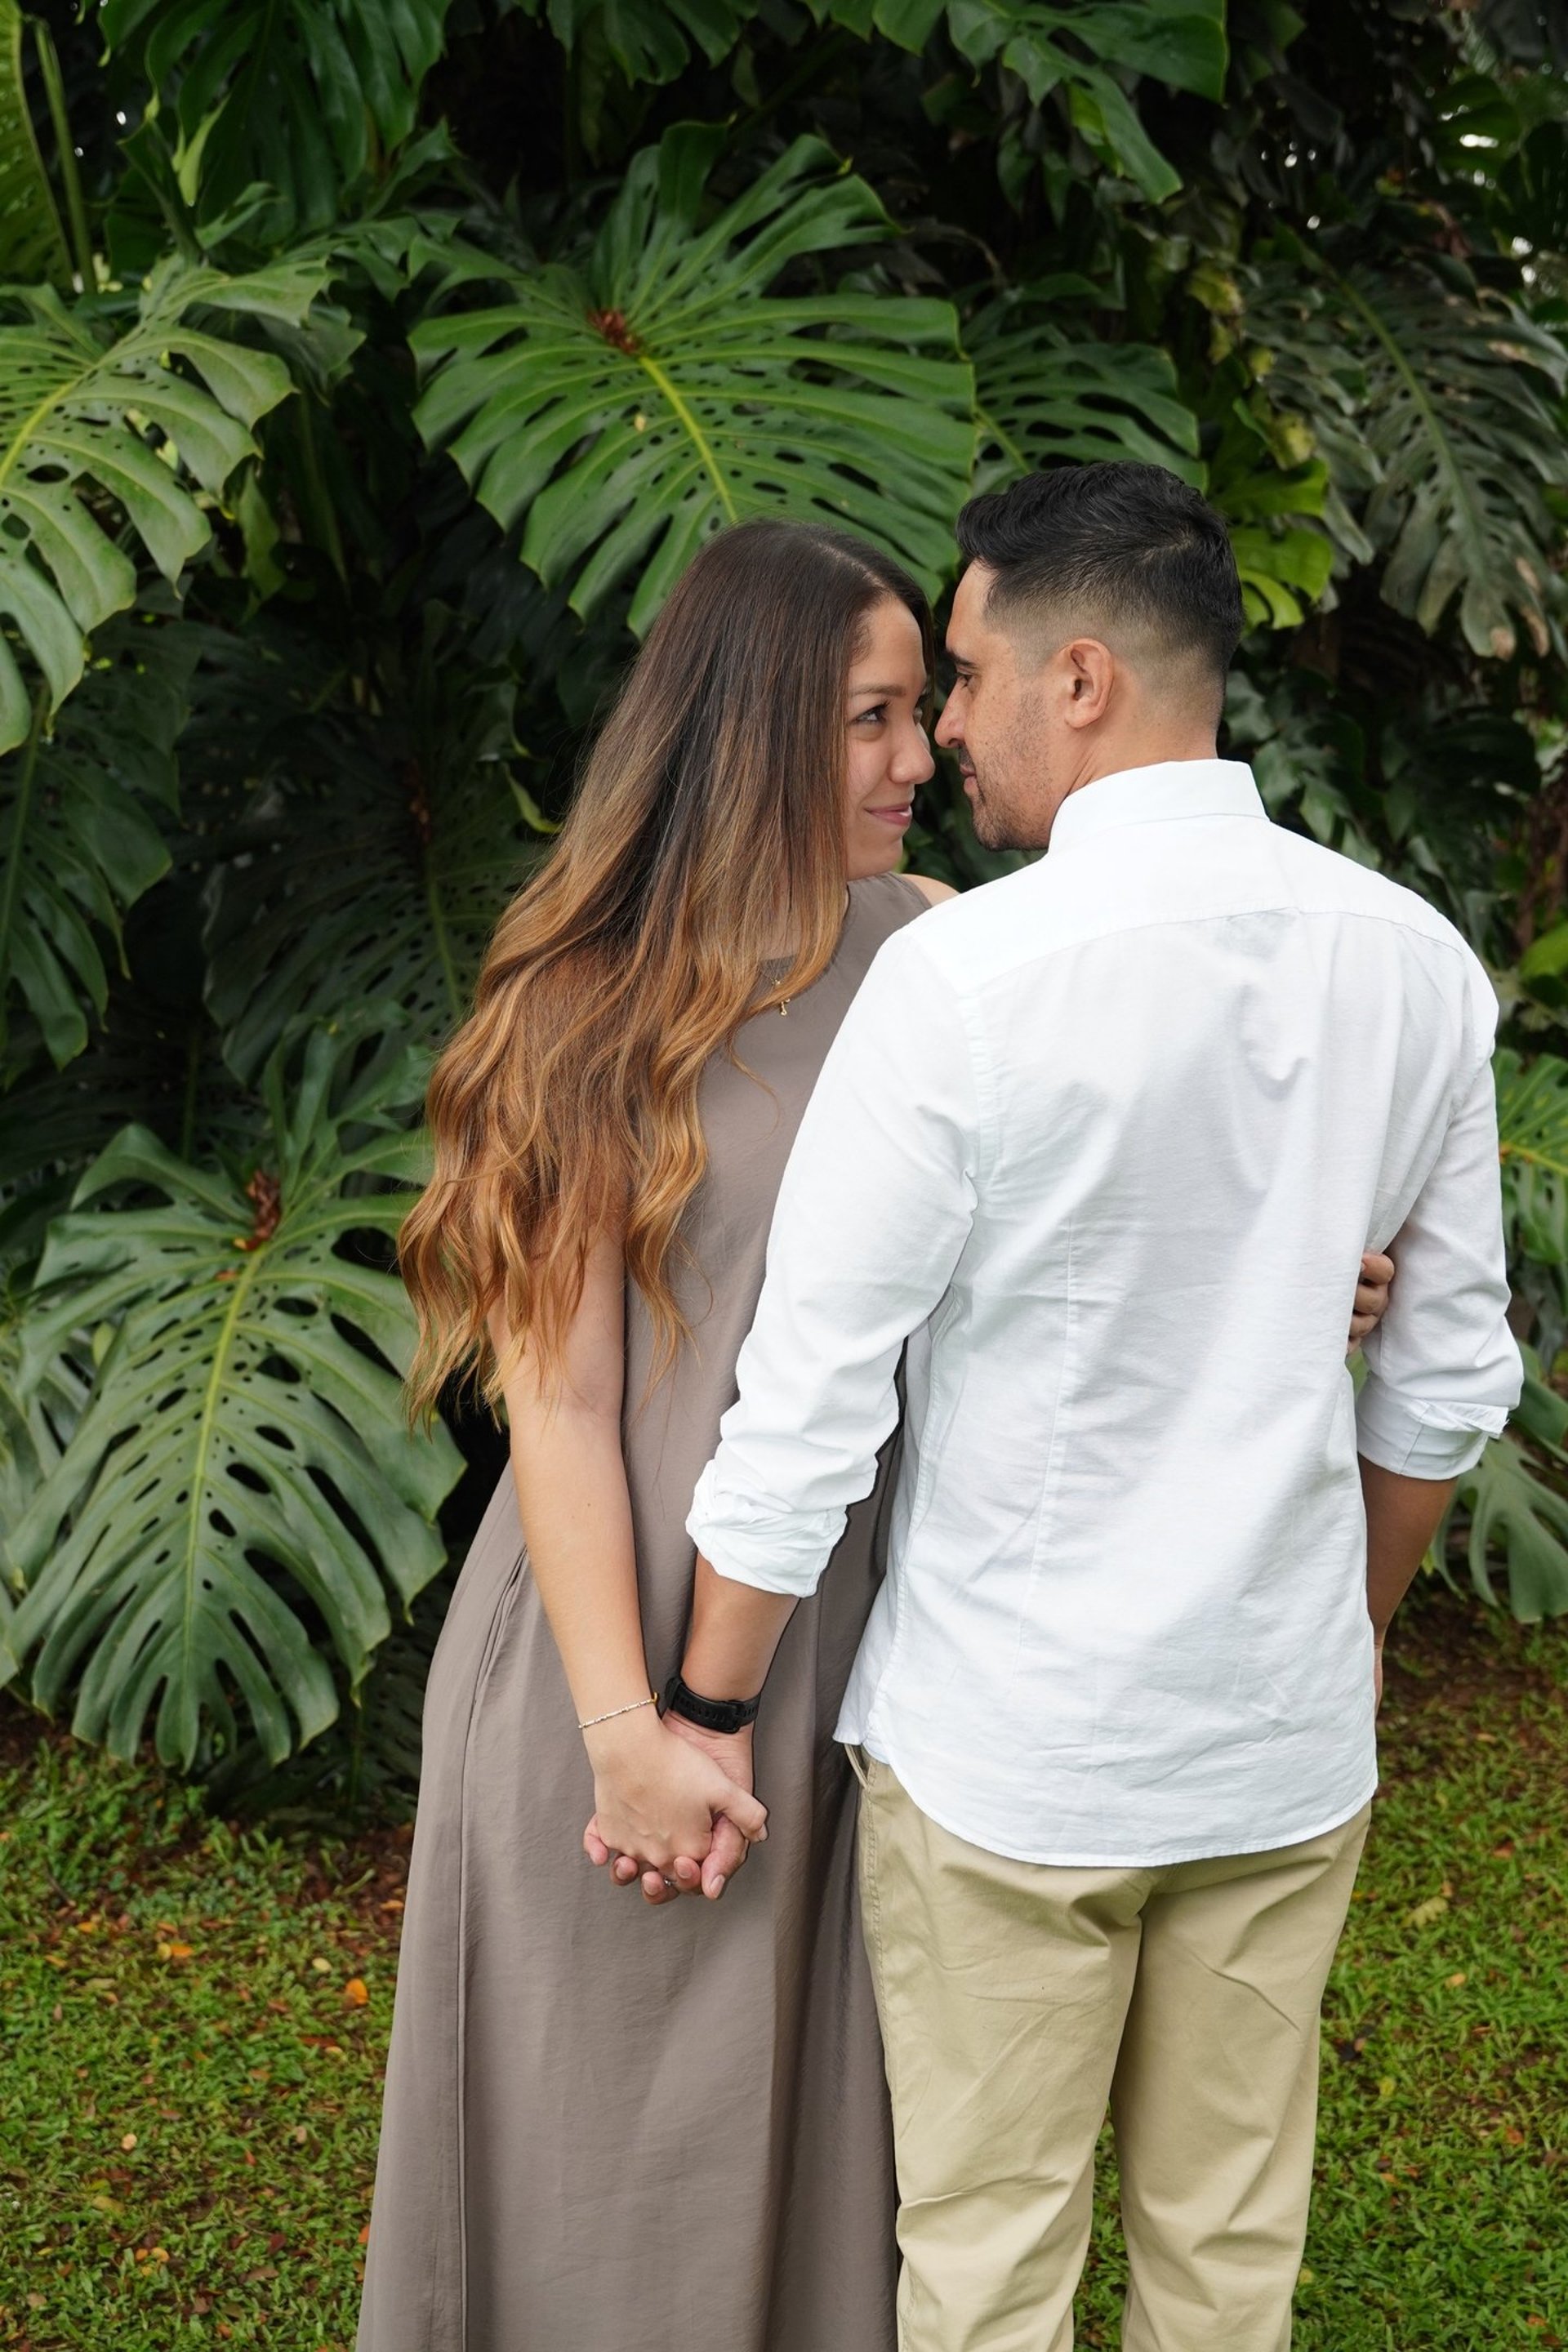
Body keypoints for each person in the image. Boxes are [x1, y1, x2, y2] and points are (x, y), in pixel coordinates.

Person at [357, 506, 1393, 2352]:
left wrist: (1323, 1278)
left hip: (884, 1637)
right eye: (873, 717)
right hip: (634, 1626)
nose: (926, 758)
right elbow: (563, 1405)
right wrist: (631, 1728)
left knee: (857, 2148)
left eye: (927, 710)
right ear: (747, 724)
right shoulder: (577, 1014)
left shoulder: (941, 946)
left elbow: (1118, 1215)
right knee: (610, 2151)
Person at [670, 465, 1522, 2352]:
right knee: (1228, 2262)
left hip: (1013, 1758)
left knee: (986, 2267)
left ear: (1078, 678)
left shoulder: (969, 980)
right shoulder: (1412, 962)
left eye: (962, 676)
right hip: (1280, 1748)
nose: (943, 725)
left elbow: (812, 1398)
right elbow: (1447, 1377)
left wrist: (705, 1704)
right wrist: (1344, 1639)